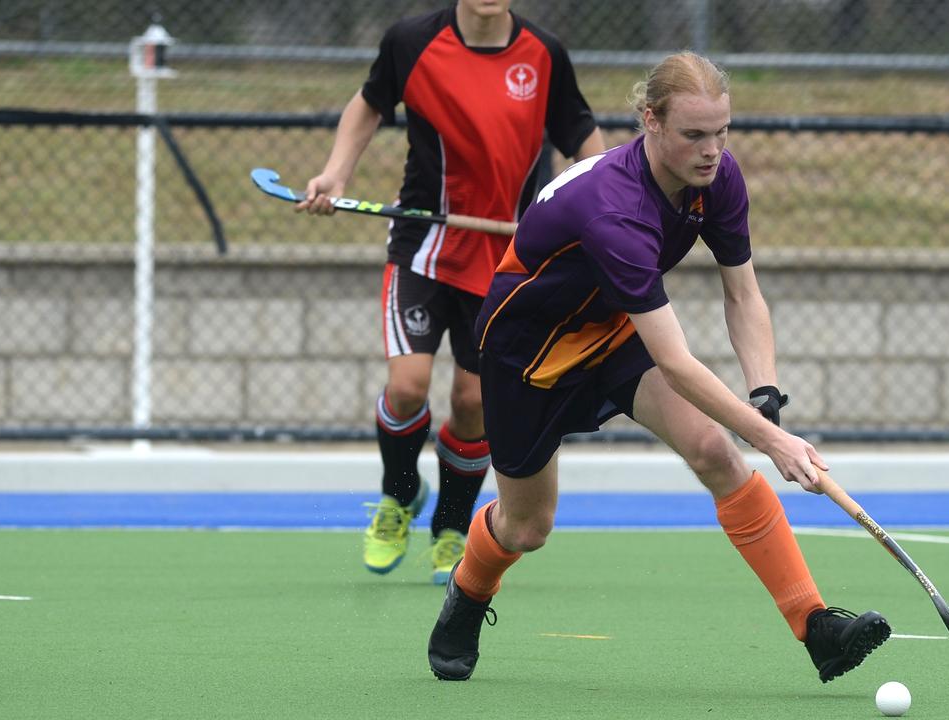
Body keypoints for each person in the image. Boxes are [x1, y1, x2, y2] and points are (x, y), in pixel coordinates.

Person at [427, 51, 891, 683]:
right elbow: (675, 362)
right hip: (527, 353)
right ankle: (469, 593)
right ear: (650, 121)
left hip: (613, 330)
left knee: (717, 454)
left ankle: (815, 626)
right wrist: (775, 442)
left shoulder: (718, 179)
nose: (712, 150)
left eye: (722, 132)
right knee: (527, 527)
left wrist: (766, 395)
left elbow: (743, 294)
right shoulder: (614, 210)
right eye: (694, 135)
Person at [297, 0, 605, 584]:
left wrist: (608, 212)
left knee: (473, 405)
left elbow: (585, 143)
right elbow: (368, 106)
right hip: (423, 247)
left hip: (508, 262)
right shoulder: (411, 41)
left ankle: (451, 528)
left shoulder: (544, 54)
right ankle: (398, 496)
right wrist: (336, 174)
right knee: (407, 387)